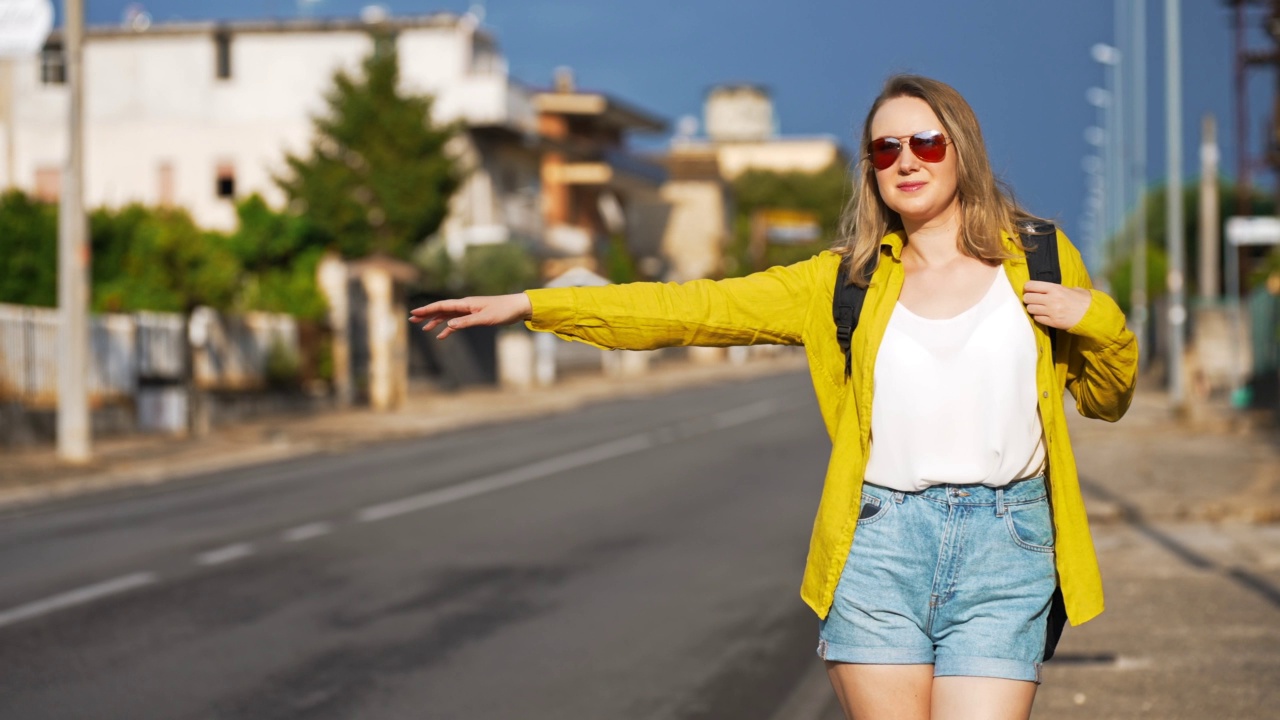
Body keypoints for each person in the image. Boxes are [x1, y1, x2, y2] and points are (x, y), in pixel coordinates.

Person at [409, 74, 1138, 720]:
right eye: (885, 150)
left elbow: (1107, 399)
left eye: (925, 142)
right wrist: (535, 304)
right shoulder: (840, 283)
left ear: (963, 151)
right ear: (872, 169)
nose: (906, 160)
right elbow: (692, 308)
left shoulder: (1039, 256)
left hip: (1005, 547)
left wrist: (1095, 316)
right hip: (881, 543)